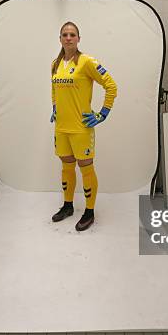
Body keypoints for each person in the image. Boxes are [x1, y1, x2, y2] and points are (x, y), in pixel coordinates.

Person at [50, 21, 117, 231]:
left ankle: (89, 211)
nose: (68, 38)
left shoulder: (86, 62)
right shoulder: (55, 63)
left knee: (86, 169)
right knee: (66, 167)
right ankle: (68, 206)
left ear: (78, 39)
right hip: (61, 128)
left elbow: (111, 86)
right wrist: (54, 107)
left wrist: (102, 114)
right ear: (59, 39)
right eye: (64, 34)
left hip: (81, 128)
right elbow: (54, 90)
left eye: (72, 34)